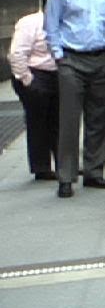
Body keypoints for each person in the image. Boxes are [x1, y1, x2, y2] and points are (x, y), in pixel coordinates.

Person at [44, 0, 105, 198]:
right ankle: (66, 177)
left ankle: (94, 172)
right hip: (71, 60)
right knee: (69, 119)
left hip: (102, 59)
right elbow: (51, 25)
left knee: (100, 118)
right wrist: (58, 55)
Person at [7, 10, 59, 181]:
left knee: (59, 121)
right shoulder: (31, 22)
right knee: (38, 121)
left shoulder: (68, 21)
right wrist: (27, 80)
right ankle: (41, 167)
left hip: (59, 73)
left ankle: (64, 164)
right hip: (35, 73)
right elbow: (17, 53)